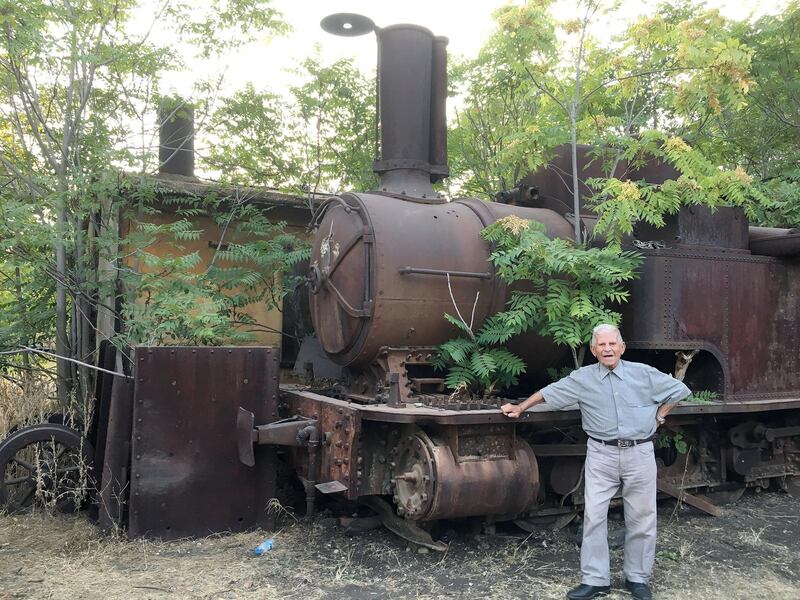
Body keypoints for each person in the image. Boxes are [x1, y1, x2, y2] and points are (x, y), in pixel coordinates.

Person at [501, 324, 690, 600]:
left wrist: (660, 415)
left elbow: (680, 390)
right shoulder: (583, 378)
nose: (607, 349)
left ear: (622, 347)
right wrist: (520, 408)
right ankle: (595, 580)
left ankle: (637, 579)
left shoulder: (643, 374)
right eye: (601, 345)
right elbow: (550, 392)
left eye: (612, 344)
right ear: (593, 350)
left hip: (639, 453)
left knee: (642, 517)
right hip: (601, 454)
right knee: (593, 516)